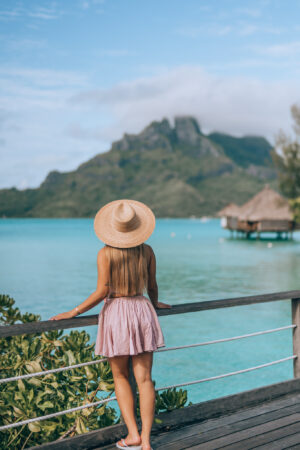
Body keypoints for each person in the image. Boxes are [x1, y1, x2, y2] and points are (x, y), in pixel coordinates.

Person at [50, 199, 171, 450]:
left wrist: (73, 312)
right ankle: (147, 442)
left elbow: (102, 291)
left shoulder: (105, 253)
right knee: (145, 380)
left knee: (120, 376)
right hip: (141, 309)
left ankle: (133, 435)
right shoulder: (147, 251)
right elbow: (152, 286)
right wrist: (156, 302)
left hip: (116, 312)